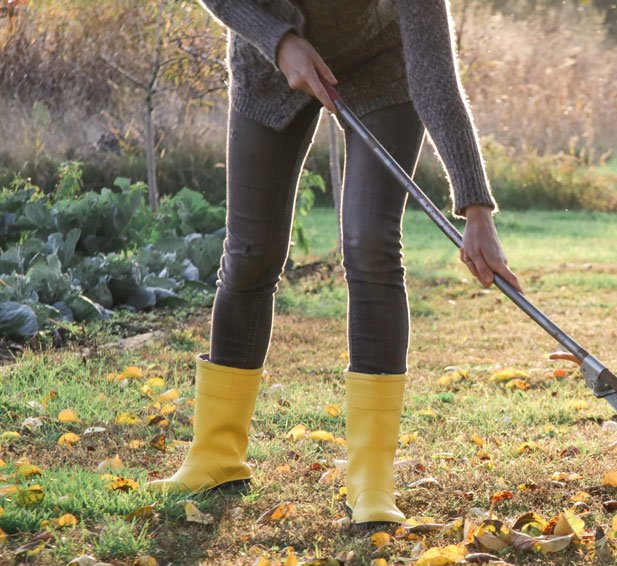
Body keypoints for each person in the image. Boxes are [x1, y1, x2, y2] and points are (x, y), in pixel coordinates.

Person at [147, 0, 521, 531]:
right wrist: (278, 40)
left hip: (380, 67)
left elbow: (435, 77)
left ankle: (370, 475)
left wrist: (476, 208)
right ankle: (215, 454)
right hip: (269, 59)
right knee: (251, 252)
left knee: (370, 243)